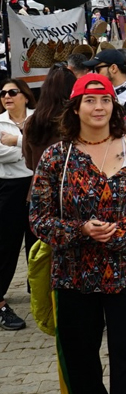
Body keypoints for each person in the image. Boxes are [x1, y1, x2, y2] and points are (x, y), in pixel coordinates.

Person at [29, 74, 126, 393]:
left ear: (114, 106)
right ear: (75, 108)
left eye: (105, 100)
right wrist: (81, 230)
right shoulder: (57, 158)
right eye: (90, 100)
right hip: (74, 276)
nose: (99, 107)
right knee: (79, 362)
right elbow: (38, 217)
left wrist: (124, 230)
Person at [0, 79, 35, 331]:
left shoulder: (37, 118)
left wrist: (16, 141)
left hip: (36, 184)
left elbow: (46, 149)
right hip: (9, 188)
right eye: (2, 93)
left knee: (38, 241)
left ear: (25, 95)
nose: (7, 96)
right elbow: (2, 154)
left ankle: (39, 288)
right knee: (6, 244)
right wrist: (28, 146)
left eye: (12, 92)